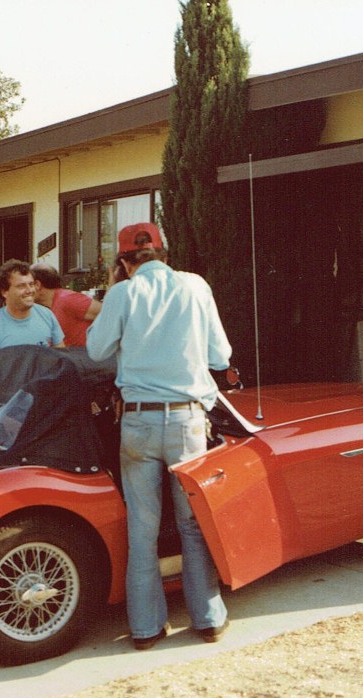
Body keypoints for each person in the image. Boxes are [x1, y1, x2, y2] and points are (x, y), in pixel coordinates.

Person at [86, 223, 232, 650]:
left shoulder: (123, 293)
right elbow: (220, 355)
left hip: (138, 423)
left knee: (142, 528)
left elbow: (96, 351)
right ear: (165, 254)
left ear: (125, 263)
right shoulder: (194, 286)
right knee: (192, 524)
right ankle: (208, 618)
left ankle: (146, 627)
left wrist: (116, 291)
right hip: (187, 420)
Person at [0, 259, 65, 372]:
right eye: (21, 286)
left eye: (31, 284)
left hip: (44, 388)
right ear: (4, 292)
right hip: (11, 389)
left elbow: (62, 359)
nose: (29, 290)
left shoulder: (47, 315)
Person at [31, 263, 102, 346]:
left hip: (85, 356)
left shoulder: (68, 299)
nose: (26, 290)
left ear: (37, 285)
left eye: (29, 284)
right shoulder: (42, 308)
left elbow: (111, 315)